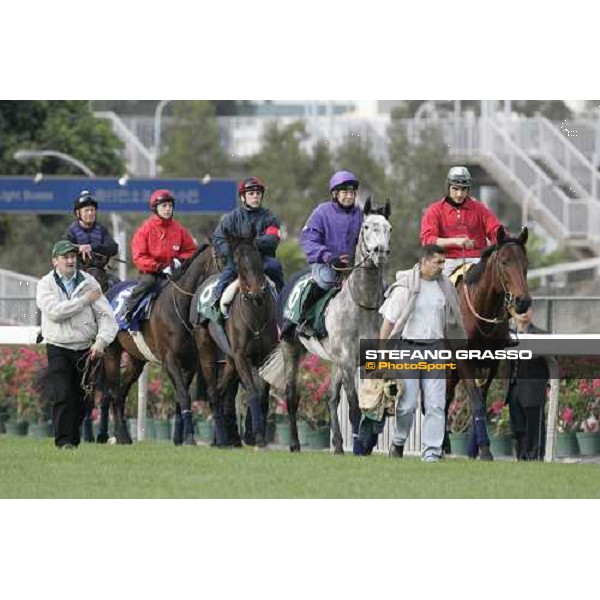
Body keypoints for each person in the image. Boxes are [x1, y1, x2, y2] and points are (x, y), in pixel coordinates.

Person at [379, 244, 466, 462]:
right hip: (408, 348)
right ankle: (398, 441)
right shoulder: (405, 286)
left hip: (435, 350)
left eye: (443, 262)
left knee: (436, 404)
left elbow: (453, 321)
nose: (442, 267)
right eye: (438, 262)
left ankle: (431, 454)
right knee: (407, 406)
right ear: (424, 262)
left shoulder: (445, 286)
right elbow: (388, 323)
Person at [36, 240, 118, 449]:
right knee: (63, 394)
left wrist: (101, 341)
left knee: (82, 399)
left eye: (73, 257)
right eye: (65, 257)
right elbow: (55, 312)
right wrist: (83, 301)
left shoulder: (90, 282)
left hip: (85, 349)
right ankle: (64, 442)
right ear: (55, 261)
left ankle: (72, 440)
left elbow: (106, 316)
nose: (71, 260)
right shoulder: (46, 284)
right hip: (58, 346)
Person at [296, 170, 363, 336]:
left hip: (352, 266)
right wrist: (327, 256)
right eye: (345, 192)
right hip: (326, 264)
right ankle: (306, 320)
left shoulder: (359, 214)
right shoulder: (321, 212)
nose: (349, 196)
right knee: (326, 281)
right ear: (335, 194)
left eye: (352, 192)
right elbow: (308, 239)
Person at [209, 176, 284, 311]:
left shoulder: (269, 217)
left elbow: (272, 239)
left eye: (258, 193)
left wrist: (251, 245)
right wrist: (231, 251)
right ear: (243, 197)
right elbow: (218, 238)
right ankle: (214, 301)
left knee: (275, 266)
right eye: (251, 194)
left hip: (261, 259)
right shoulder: (231, 218)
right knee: (227, 274)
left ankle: (284, 300)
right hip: (237, 259)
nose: (255, 196)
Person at [123, 189, 197, 322]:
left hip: (173, 271)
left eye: (170, 206)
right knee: (148, 283)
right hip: (151, 272)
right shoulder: (145, 229)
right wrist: (159, 266)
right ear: (155, 208)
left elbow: (191, 250)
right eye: (164, 206)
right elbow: (139, 257)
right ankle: (128, 310)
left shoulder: (179, 229)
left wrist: (179, 260)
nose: (168, 209)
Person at [420, 166, 502, 278]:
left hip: (477, 260)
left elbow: (496, 231)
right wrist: (456, 241)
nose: (459, 194)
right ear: (448, 187)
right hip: (447, 261)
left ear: (468, 189)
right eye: (455, 189)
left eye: (463, 189)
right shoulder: (434, 210)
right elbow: (428, 240)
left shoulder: (480, 209)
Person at [506, 305, 554, 460]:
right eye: (520, 310)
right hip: (514, 389)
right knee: (518, 428)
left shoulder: (542, 335)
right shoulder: (508, 336)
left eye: (527, 309)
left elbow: (552, 363)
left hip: (534, 388)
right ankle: (521, 458)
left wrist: (547, 385)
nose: (524, 313)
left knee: (534, 428)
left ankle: (535, 458)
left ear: (532, 311)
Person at [66, 190, 119, 280]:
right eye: (86, 210)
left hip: (100, 272)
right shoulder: (72, 231)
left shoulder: (101, 229)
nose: (90, 213)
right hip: (76, 274)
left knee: (118, 283)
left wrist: (91, 247)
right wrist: (79, 248)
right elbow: (65, 250)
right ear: (78, 213)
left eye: (92, 210)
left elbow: (113, 247)